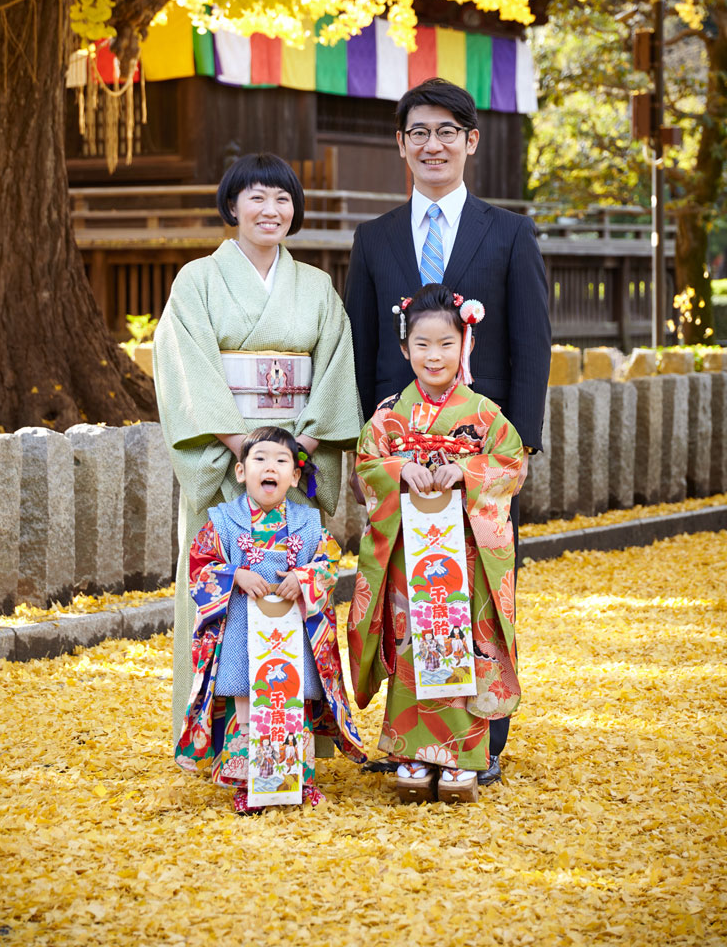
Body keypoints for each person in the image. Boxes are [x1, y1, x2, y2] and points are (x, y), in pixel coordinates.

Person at [344, 77, 551, 780]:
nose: (433, 145)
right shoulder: (373, 240)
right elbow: (365, 343)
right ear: (401, 145)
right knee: (408, 593)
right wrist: (384, 443)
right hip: (403, 452)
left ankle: (483, 741)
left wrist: (511, 448)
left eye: (447, 132)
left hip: (479, 459)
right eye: (419, 133)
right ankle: (410, 736)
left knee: (481, 595)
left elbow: (531, 343)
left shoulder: (510, 231)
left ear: (471, 141)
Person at [154, 153, 362, 746]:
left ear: (294, 211)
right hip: (227, 460)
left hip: (296, 456)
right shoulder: (197, 281)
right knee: (222, 581)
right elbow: (185, 367)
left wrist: (298, 451)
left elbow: (334, 370)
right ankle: (223, 740)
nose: (271, 210)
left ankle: (295, 740)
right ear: (232, 206)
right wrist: (242, 450)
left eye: (283, 199)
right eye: (257, 197)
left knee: (298, 582)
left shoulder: (317, 287)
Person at [347, 284, 525, 805]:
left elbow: (510, 464)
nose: (434, 356)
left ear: (464, 345)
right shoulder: (387, 416)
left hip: (464, 555)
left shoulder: (486, 414)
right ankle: (409, 751)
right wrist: (402, 469)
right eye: (422, 345)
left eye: (446, 344)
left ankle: (463, 756)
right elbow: (365, 467)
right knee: (411, 640)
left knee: (459, 640)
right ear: (404, 350)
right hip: (409, 551)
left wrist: (465, 471)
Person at [175, 427, 365, 813]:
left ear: (295, 477)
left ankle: (301, 780)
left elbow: (328, 561)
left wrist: (305, 578)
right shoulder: (223, 521)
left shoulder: (309, 523)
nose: (270, 467)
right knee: (246, 704)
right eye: (259, 459)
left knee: (291, 703)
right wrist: (234, 576)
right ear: (241, 472)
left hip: (292, 635)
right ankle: (247, 782)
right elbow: (200, 567)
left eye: (281, 461)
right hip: (243, 634)